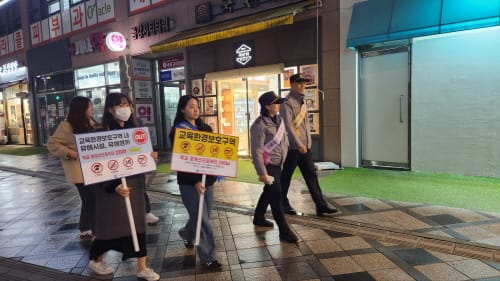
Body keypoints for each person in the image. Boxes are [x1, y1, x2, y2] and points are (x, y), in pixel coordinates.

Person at [88, 93, 159, 281]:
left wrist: (150, 158)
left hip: (134, 188)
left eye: (127, 104)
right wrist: (114, 186)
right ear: (110, 109)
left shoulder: (136, 132)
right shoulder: (101, 134)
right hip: (112, 194)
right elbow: (96, 166)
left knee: (138, 229)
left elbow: (143, 161)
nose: (125, 109)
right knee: (111, 231)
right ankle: (96, 259)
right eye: (120, 105)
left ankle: (142, 267)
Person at [169, 95, 222, 270]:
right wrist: (194, 181)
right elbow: (181, 160)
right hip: (189, 183)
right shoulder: (178, 131)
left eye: (197, 106)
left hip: (207, 180)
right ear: (182, 109)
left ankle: (185, 233)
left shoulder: (205, 128)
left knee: (203, 215)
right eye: (191, 106)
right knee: (202, 219)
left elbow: (213, 155)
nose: (196, 109)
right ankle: (209, 257)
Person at [280, 73, 338, 216]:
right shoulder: (285, 103)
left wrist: (308, 142)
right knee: (286, 177)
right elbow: (287, 127)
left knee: (311, 176)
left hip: (305, 148)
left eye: (304, 83)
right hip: (293, 148)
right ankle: (282, 203)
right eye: (299, 83)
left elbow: (304, 125)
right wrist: (298, 144)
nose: (303, 85)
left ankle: (320, 205)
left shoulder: (303, 102)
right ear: (292, 84)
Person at [250, 91, 299, 243]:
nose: (278, 105)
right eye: (275, 103)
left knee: (270, 191)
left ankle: (258, 217)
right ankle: (284, 230)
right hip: (268, 164)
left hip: (279, 163)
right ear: (267, 106)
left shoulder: (279, 120)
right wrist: (262, 173)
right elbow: (257, 151)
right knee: (276, 194)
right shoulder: (259, 125)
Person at [47, 96, 99, 239]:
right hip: (79, 170)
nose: (91, 109)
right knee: (90, 198)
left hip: (94, 168)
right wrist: (70, 153)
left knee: (90, 198)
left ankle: (86, 226)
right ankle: (91, 228)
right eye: (89, 107)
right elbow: (52, 144)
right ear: (81, 109)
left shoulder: (91, 123)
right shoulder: (66, 126)